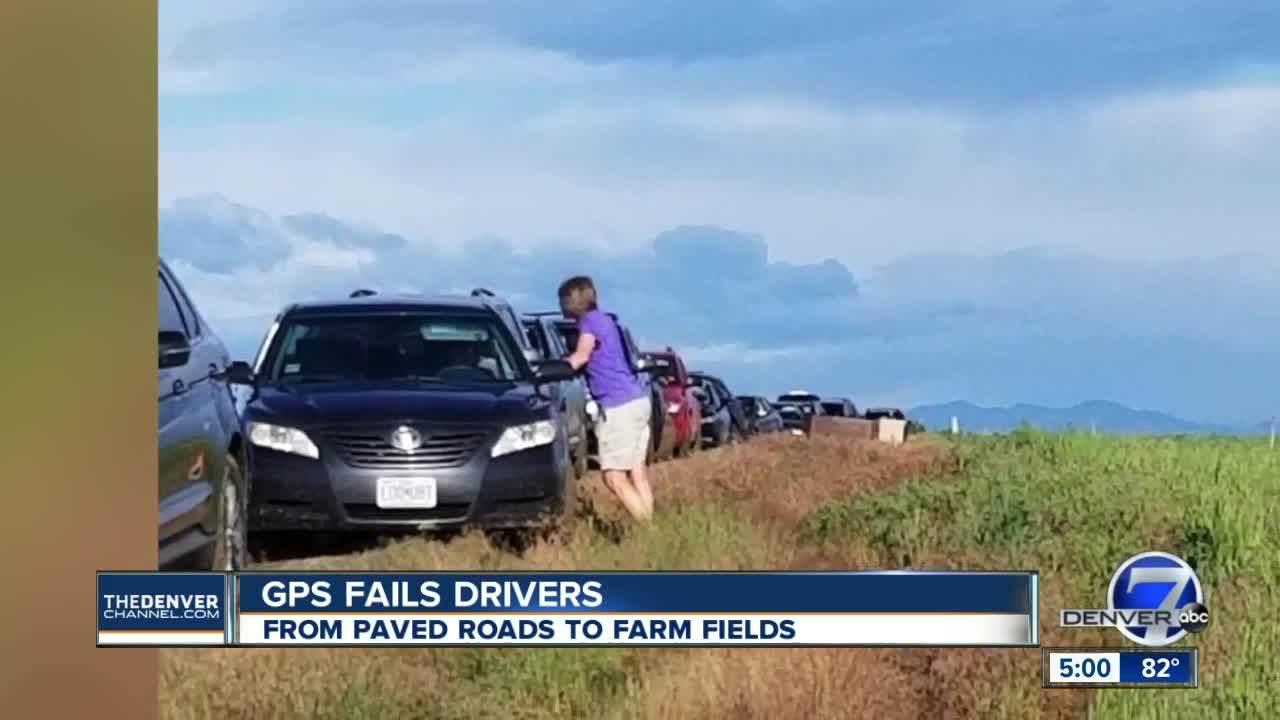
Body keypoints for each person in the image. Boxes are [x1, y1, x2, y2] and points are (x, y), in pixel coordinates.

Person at [558, 276, 654, 522]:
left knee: (613, 476)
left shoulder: (588, 323)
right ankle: (651, 523)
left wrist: (550, 369)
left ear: (572, 301)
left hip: (617, 405)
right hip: (637, 399)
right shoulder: (606, 320)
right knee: (637, 472)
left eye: (563, 301)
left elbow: (580, 357)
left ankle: (648, 528)